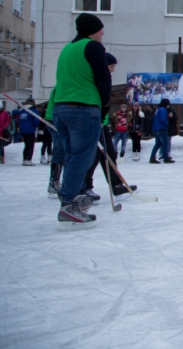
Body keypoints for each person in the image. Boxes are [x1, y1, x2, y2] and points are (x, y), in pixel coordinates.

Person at [52, 13, 111, 228]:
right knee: (83, 157)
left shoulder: (67, 49)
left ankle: (73, 196)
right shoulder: (93, 47)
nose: (103, 33)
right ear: (92, 29)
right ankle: (68, 203)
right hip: (83, 107)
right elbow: (103, 78)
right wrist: (105, 105)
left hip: (61, 107)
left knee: (72, 155)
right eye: (100, 29)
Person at [81, 52, 137, 201]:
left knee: (110, 154)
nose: (112, 70)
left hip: (103, 123)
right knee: (94, 155)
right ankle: (85, 186)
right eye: (111, 66)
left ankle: (116, 184)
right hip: (94, 122)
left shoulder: (105, 78)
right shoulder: (94, 78)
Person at [44, 88, 63, 198]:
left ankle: (57, 182)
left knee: (64, 152)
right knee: (60, 151)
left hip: (59, 119)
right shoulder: (60, 87)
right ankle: (53, 182)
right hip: (55, 120)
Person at [149, 98, 175, 164]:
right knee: (165, 144)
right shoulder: (163, 110)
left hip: (156, 129)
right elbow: (163, 119)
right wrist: (167, 125)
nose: (168, 106)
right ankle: (166, 158)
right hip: (162, 129)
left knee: (157, 144)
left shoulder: (158, 109)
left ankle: (152, 157)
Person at [18, 97, 40, 166]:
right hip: (30, 130)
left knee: (26, 145)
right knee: (31, 145)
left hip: (23, 130)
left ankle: (24, 160)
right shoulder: (34, 110)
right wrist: (36, 126)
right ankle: (29, 160)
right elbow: (36, 121)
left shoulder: (22, 110)